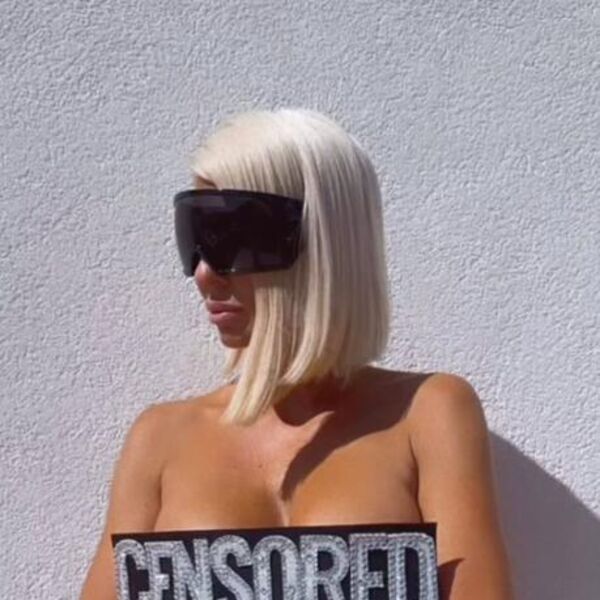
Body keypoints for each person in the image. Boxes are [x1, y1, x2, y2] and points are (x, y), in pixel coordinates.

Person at [80, 108, 514, 599]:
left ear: (322, 245)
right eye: (195, 238)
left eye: (230, 239)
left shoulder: (428, 413)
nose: (203, 274)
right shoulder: (160, 437)